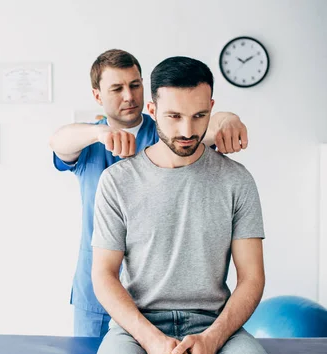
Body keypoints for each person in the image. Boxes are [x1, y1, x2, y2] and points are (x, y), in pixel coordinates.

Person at [90, 56, 288, 354]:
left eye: (199, 116)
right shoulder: (117, 181)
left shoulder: (236, 180)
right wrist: (152, 340)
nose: (187, 130)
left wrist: (212, 340)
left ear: (212, 107)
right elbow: (103, 275)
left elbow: (252, 277)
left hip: (217, 324)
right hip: (137, 326)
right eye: (174, 116)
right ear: (152, 109)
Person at [49, 49, 249, 337]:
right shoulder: (88, 143)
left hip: (153, 297)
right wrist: (101, 133)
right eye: (117, 88)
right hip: (97, 290)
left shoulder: (167, 131)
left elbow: (204, 126)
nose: (129, 96)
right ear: (97, 95)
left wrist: (228, 117)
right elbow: (57, 141)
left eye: (134, 85)